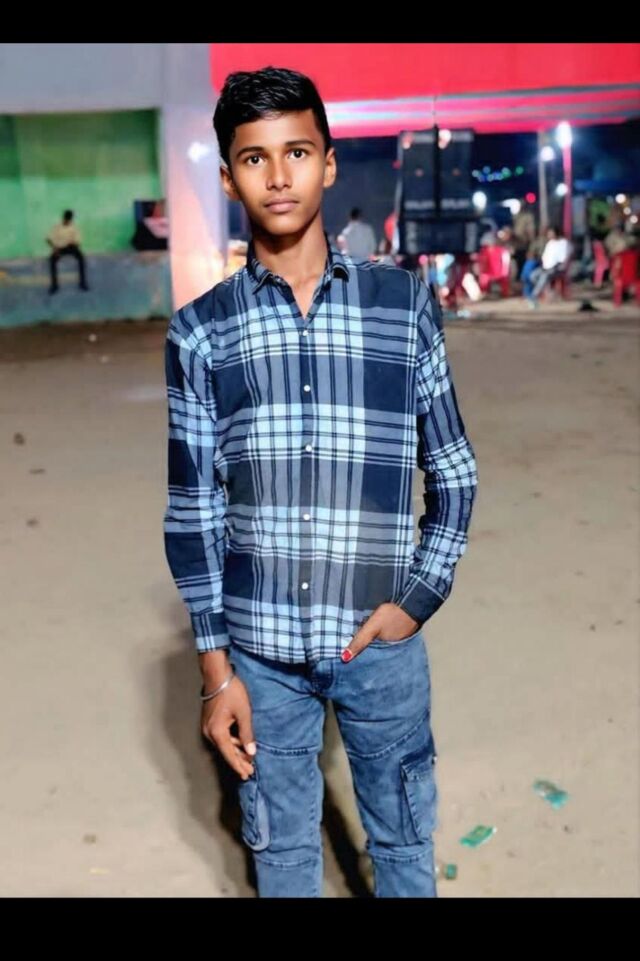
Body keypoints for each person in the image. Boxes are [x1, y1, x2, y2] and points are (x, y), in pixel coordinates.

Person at [163, 66, 478, 899]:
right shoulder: (200, 333)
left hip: (382, 644)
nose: (278, 175)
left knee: (403, 847)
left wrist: (416, 598)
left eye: (297, 152)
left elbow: (452, 467)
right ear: (228, 177)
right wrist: (217, 672)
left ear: (329, 163)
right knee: (284, 858)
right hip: (260, 655)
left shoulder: (402, 305)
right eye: (254, 158)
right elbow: (193, 510)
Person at [46, 210, 88, 294]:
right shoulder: (57, 227)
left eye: (69, 219)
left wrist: (74, 244)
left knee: (81, 258)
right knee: (52, 260)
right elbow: (48, 239)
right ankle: (54, 285)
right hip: (59, 248)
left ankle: (82, 283)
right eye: (66, 219)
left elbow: (77, 241)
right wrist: (54, 248)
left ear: (71, 219)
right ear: (63, 218)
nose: (67, 221)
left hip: (71, 247)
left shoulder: (74, 227)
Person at [528, 226, 572, 305]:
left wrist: (552, 267)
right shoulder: (550, 243)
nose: (549, 235)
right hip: (545, 268)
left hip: (558, 268)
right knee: (533, 276)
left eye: (551, 233)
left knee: (544, 276)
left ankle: (534, 296)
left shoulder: (564, 243)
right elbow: (545, 257)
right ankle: (548, 292)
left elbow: (563, 259)